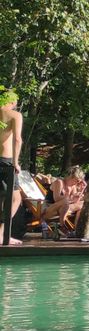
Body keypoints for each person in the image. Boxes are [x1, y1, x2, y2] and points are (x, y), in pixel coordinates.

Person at [0, 89, 23, 246]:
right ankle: (1, 233)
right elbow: (17, 140)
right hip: (5, 161)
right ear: (13, 101)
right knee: (16, 198)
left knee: (1, 198)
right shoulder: (14, 115)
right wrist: (15, 162)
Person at [44, 165, 87, 231]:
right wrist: (71, 198)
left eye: (79, 182)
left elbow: (75, 201)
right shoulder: (59, 182)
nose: (77, 183)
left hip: (63, 208)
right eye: (76, 181)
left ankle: (76, 229)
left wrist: (81, 190)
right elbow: (57, 199)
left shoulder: (73, 186)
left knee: (83, 204)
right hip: (49, 208)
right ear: (71, 177)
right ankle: (62, 225)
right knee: (65, 202)